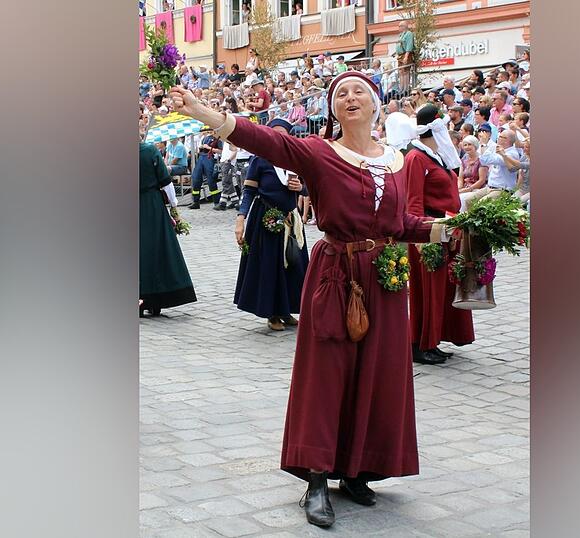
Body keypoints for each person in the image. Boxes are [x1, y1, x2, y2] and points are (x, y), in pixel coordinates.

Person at [169, 70, 453, 529]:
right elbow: (265, 141)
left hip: (384, 276)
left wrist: (453, 230)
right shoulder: (320, 153)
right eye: (341, 93)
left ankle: (360, 470)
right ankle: (317, 478)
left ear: (378, 103)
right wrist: (205, 113)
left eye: (360, 90)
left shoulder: (398, 161)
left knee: (380, 372)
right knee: (327, 372)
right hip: (336, 272)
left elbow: (403, 224)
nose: (351, 97)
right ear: (332, 108)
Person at [400, 105, 475, 363]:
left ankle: (435, 338)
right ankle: (421, 344)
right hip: (429, 232)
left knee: (442, 289)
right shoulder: (416, 158)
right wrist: (423, 237)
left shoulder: (436, 156)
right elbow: (414, 202)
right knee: (427, 291)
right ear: (435, 127)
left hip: (447, 229)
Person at [234, 118, 309, 330]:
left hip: (291, 219)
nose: (277, 138)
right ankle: (272, 313)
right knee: (270, 266)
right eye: (273, 133)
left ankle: (287, 310)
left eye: (281, 134)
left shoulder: (296, 159)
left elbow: (308, 190)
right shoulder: (260, 160)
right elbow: (249, 192)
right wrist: (241, 218)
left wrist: (300, 188)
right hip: (265, 218)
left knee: (294, 264)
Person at [139, 141, 197, 315]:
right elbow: (165, 181)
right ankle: (156, 301)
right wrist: (174, 208)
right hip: (152, 206)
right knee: (156, 250)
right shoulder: (149, 150)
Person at [188, 130, 222, 209]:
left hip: (209, 158)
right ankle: (196, 202)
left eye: (211, 130)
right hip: (201, 158)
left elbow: (220, 151)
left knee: (211, 181)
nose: (210, 131)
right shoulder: (205, 138)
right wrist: (200, 148)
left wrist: (209, 148)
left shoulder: (218, 139)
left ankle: (216, 202)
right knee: (196, 179)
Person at [395, 20, 415, 92]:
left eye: (400, 26)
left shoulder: (409, 34)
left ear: (405, 26)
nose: (399, 28)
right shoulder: (401, 35)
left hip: (405, 54)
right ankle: (401, 88)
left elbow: (409, 45)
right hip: (400, 55)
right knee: (400, 71)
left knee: (405, 71)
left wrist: (406, 56)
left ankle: (405, 88)